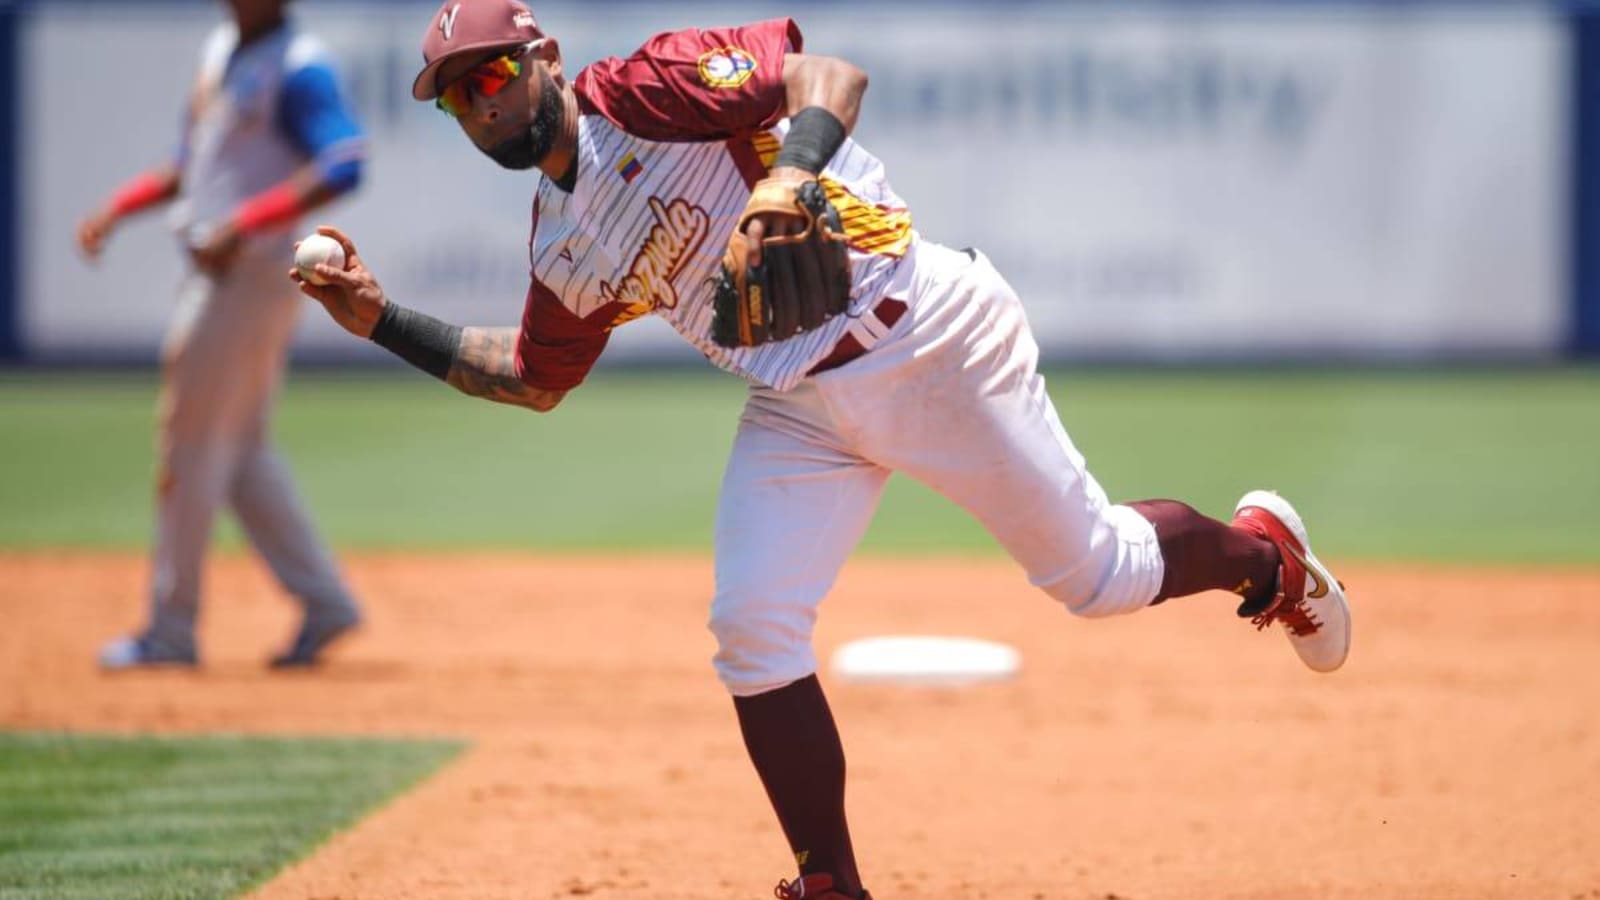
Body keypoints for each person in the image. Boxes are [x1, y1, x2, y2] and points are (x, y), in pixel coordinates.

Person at [292, 1, 1353, 896]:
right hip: (798, 402)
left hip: (929, 337)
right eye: (458, 97)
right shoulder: (560, 242)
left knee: (1101, 578)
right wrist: (381, 318)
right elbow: (532, 376)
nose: (485, 104)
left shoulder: (642, 89)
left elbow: (827, 77)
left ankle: (1266, 554)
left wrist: (787, 180)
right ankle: (831, 882)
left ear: (545, 59)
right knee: (751, 626)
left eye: (495, 76)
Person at [77, 0, 366, 670]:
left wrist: (244, 223)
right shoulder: (221, 50)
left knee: (189, 445)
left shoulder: (300, 67)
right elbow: (192, 163)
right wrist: (117, 209)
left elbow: (345, 161)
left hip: (248, 277)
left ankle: (171, 631)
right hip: (226, 272)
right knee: (239, 452)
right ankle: (326, 603)